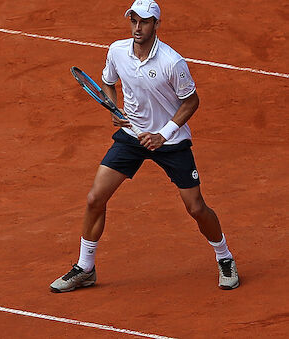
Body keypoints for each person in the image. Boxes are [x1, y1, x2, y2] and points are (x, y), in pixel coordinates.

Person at [50, 0, 239, 293]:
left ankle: (224, 257)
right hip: (131, 136)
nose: (138, 27)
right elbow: (108, 83)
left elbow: (192, 102)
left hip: (171, 141)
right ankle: (85, 268)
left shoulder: (172, 62)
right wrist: (114, 108)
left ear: (156, 25)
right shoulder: (116, 51)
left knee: (196, 207)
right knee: (94, 199)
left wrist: (163, 134)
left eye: (145, 22)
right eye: (134, 21)